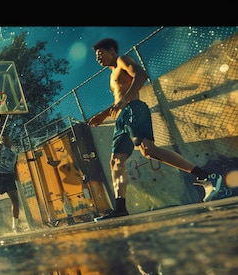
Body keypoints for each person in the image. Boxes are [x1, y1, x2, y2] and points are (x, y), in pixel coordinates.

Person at [87, 38, 225, 221]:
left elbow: (141, 76)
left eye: (100, 54)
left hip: (134, 109)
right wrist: (103, 115)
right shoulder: (112, 77)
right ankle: (120, 208)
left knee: (149, 150)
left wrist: (124, 100)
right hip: (122, 116)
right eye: (96, 57)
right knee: (116, 160)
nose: (98, 59)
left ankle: (206, 176)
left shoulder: (123, 61)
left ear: (111, 50)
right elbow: (117, 100)